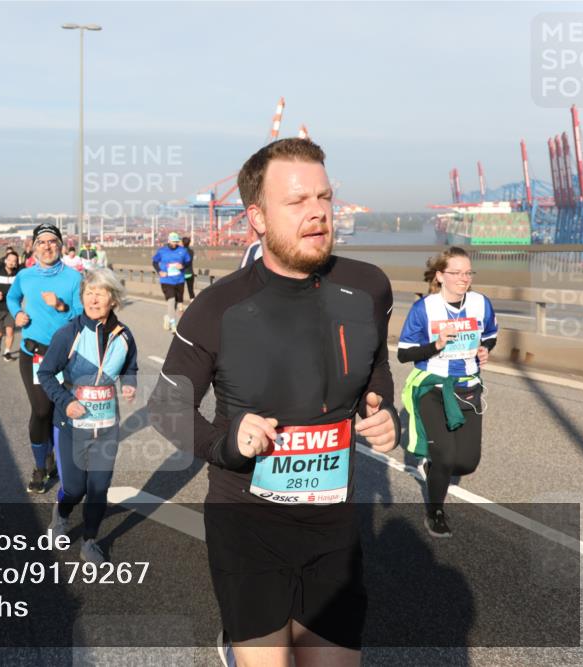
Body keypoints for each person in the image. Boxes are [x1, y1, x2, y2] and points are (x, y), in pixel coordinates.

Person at [147, 138, 399, 666]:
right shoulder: (217, 308)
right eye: (298, 201)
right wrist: (226, 444)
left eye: (324, 198)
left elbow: (375, 365)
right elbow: (166, 410)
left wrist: (382, 409)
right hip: (247, 527)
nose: (318, 214)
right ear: (257, 218)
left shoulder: (368, 287)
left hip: (333, 525)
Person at [37, 268, 138, 564]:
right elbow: (45, 373)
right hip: (70, 424)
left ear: (114, 299)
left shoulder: (124, 335)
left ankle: (90, 541)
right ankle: (62, 515)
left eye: (100, 292)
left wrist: (129, 383)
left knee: (98, 489)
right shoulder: (69, 333)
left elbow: (130, 366)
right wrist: (66, 401)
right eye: (88, 293)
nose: (93, 299)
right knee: (74, 488)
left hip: (106, 425)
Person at [397, 246, 497, 538]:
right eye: (456, 273)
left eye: (468, 272)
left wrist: (483, 349)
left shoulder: (481, 304)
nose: (463, 278)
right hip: (432, 387)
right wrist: (436, 345)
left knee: (466, 462)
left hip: (467, 387)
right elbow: (404, 353)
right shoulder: (425, 309)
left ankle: (433, 465)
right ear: (440, 276)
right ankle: (435, 511)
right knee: (446, 456)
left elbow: (490, 335)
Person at [7, 223, 83, 494]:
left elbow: (81, 314)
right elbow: (12, 297)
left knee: (58, 411)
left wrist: (61, 306)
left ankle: (54, 455)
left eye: (53, 241)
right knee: (41, 410)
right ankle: (40, 466)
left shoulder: (74, 278)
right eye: (42, 242)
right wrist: (16, 313)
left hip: (63, 356)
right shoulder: (25, 276)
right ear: (34, 247)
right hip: (33, 354)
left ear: (61, 246)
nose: (47, 246)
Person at [151, 231, 190, 331]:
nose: (174, 243)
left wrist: (183, 266)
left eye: (176, 241)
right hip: (166, 280)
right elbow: (155, 262)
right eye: (173, 241)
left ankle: (168, 317)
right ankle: (173, 324)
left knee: (176, 303)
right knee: (171, 300)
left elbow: (188, 262)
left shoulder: (183, 251)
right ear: (168, 241)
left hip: (179, 280)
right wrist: (159, 271)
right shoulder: (162, 251)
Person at [0, 250, 21, 360]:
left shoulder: (19, 274)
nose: (12, 262)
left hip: (12, 308)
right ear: (6, 260)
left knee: (10, 331)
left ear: (17, 262)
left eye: (14, 261)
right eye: (10, 260)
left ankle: (7, 352)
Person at [181, 236, 196, 300]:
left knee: (180, 290)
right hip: (190, 272)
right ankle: (193, 304)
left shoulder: (180, 251)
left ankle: (180, 306)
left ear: (182, 243)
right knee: (191, 290)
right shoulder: (191, 251)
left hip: (182, 273)